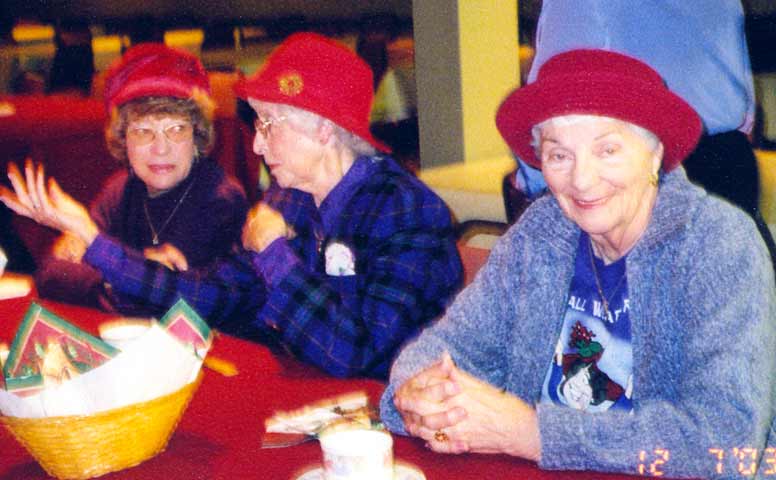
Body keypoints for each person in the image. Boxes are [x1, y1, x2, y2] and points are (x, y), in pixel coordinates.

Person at [380, 49, 776, 478]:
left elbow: (726, 444)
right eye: (558, 155)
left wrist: (533, 434)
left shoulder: (718, 244)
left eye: (607, 150)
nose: (582, 180)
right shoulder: (541, 232)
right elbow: (446, 349)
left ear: (656, 154)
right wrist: (416, 392)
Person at [1, 33, 463, 379]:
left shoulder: (403, 211)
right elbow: (212, 296)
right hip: (302, 397)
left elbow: (355, 354)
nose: (257, 145)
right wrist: (93, 240)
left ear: (323, 129)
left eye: (269, 124)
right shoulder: (291, 197)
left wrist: (274, 253)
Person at [1, 43, 248, 315]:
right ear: (123, 139)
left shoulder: (219, 197)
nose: (160, 147)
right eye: (143, 131)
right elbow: (50, 274)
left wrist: (92, 247)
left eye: (176, 129)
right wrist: (124, 275)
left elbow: (160, 303)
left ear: (197, 136)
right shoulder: (121, 189)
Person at [510, 1, 774, 254]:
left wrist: (533, 178)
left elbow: (554, 95)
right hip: (730, 159)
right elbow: (743, 94)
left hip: (646, 167)